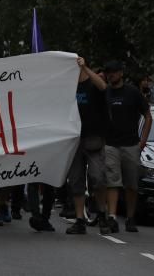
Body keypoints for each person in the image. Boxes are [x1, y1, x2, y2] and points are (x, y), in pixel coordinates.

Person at [102, 60, 152, 233]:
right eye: (108, 72)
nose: (111, 75)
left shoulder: (132, 92)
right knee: (112, 182)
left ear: (121, 73)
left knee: (131, 185)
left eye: (114, 72)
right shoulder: (105, 92)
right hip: (110, 144)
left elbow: (147, 115)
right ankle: (112, 217)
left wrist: (142, 141)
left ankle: (130, 217)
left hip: (131, 144)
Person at [66, 57, 108, 235]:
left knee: (97, 178)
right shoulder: (67, 88)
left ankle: (102, 214)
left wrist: (86, 68)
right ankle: (79, 219)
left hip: (92, 139)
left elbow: (103, 87)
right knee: (76, 180)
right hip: (74, 140)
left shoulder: (92, 85)